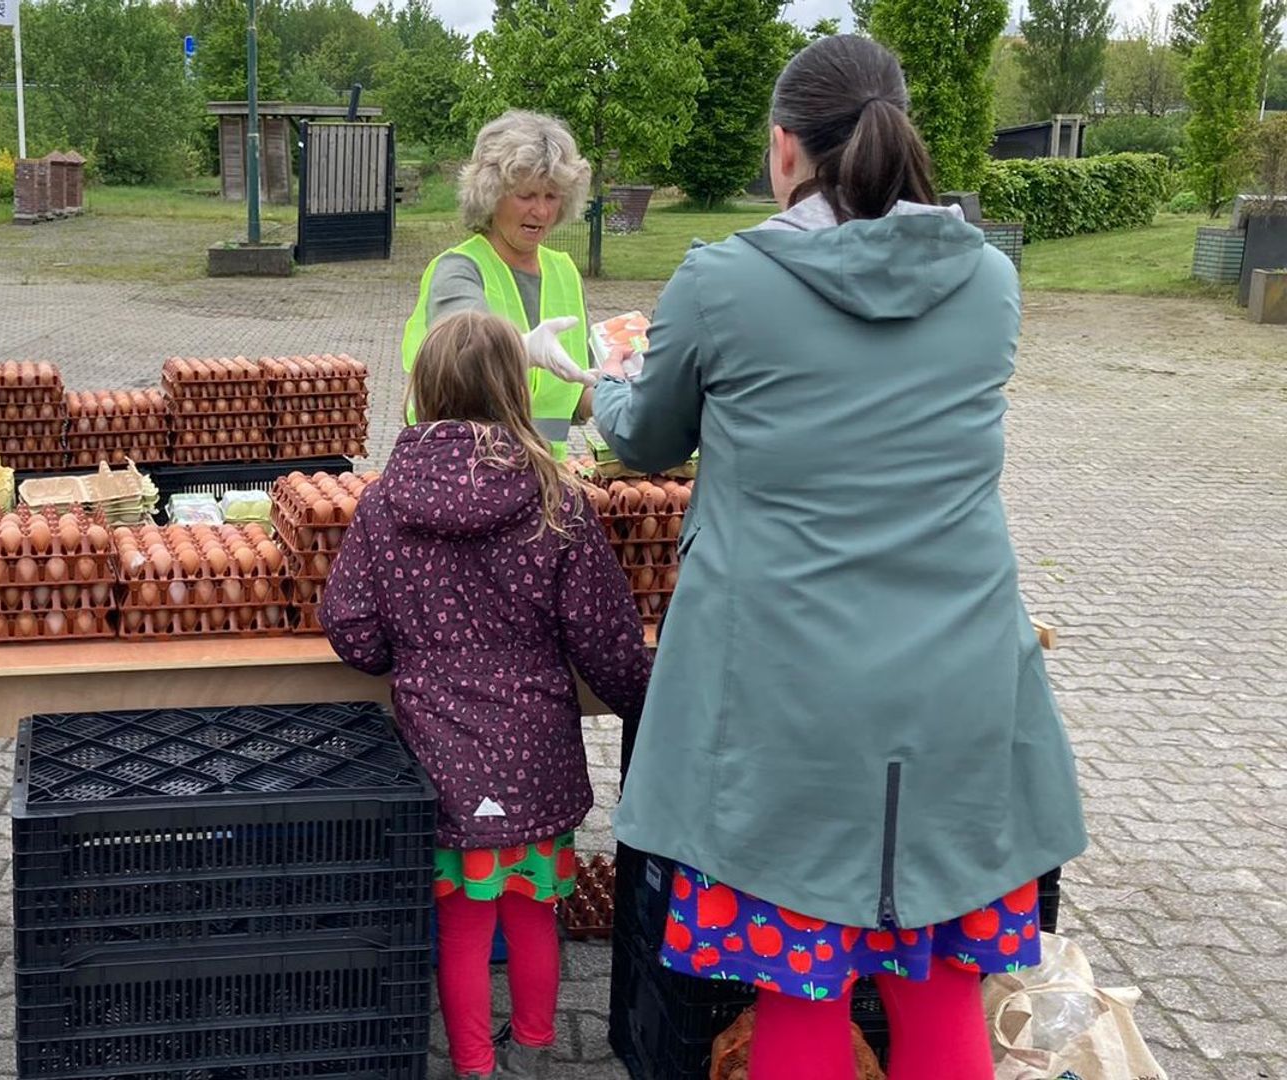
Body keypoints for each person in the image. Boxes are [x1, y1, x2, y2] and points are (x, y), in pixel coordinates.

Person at [586, 36, 1086, 1080]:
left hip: (787, 709)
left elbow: (643, 441)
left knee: (801, 1004)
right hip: (961, 695)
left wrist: (605, 369)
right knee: (944, 997)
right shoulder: (990, 283)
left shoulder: (724, 282)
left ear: (783, 149)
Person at [320, 311, 651, 1080]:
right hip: (535, 747)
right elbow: (603, 632)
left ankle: (473, 1064)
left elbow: (349, 623)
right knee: (535, 914)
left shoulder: (382, 502)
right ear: (513, 386)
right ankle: (535, 1051)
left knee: (461, 922)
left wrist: (397, 655)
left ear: (424, 387)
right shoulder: (554, 498)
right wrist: (641, 700)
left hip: (438, 751)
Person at [399, 110, 597, 460]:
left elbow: (574, 401)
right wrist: (521, 351)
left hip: (542, 481)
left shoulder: (565, 273)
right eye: (526, 195)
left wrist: (622, 391)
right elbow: (463, 362)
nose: (541, 211)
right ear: (491, 195)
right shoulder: (458, 270)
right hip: (462, 475)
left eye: (551, 197)